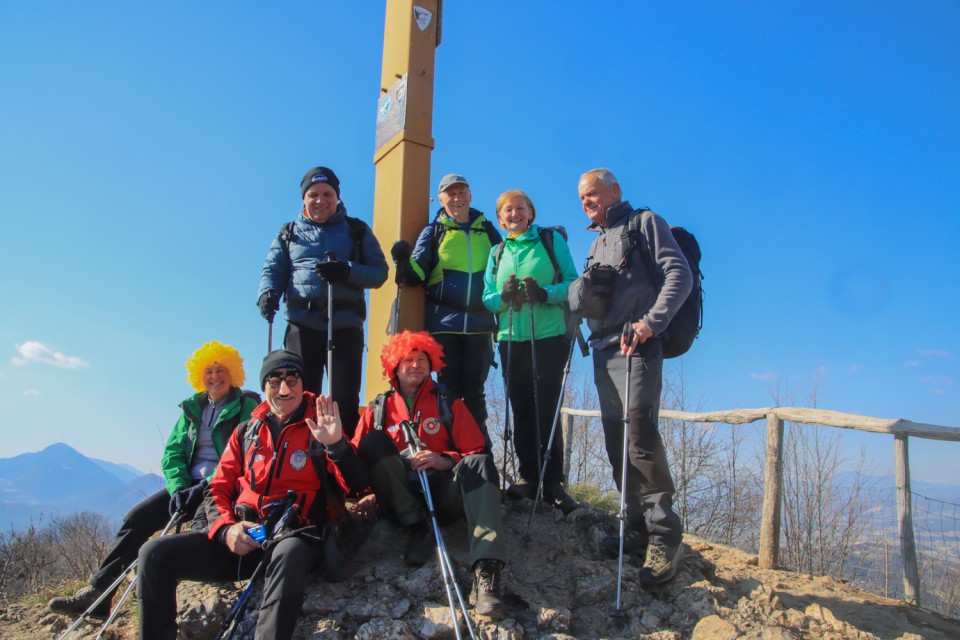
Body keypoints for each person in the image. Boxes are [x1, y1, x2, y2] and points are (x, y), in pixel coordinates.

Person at [136, 350, 369, 640]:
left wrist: (336, 446)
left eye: (292, 379)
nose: (284, 389)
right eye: (274, 380)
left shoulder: (321, 426)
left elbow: (357, 485)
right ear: (264, 387)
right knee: (154, 553)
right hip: (244, 539)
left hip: (296, 537)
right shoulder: (246, 431)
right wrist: (226, 530)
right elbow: (217, 487)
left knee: (290, 551)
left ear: (303, 384)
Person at [48, 341, 258, 617]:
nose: (215, 376)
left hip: (221, 488)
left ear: (233, 373)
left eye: (221, 370)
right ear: (199, 375)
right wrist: (178, 487)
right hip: (186, 488)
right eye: (208, 370)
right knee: (137, 519)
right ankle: (99, 593)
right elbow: (172, 452)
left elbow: (245, 453)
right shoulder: (192, 409)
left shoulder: (245, 406)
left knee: (196, 537)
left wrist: (206, 486)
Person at [567, 168, 692, 585]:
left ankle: (665, 535)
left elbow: (680, 274)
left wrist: (650, 324)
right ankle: (636, 529)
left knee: (639, 436)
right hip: (603, 351)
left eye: (593, 193)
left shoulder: (645, 223)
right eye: (583, 197)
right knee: (616, 441)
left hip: (637, 345)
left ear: (614, 190)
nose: (588, 201)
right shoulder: (595, 242)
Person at [351, 331, 509, 620]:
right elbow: (357, 459)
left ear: (431, 363)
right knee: (373, 441)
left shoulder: (448, 402)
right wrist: (366, 494)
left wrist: (444, 460)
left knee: (480, 464)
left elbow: (476, 448)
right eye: (407, 360)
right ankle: (416, 527)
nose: (415, 365)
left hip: (441, 491)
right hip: (399, 499)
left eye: (422, 359)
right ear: (394, 367)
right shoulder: (377, 409)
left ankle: (487, 572)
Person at [258, 166, 388, 437]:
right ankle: (302, 462)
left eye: (328, 193)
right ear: (304, 198)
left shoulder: (357, 230)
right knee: (300, 397)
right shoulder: (288, 233)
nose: (321, 200)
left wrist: (347, 270)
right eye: (314, 194)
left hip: (345, 326)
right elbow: (273, 270)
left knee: (345, 401)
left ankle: (344, 466)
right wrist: (267, 294)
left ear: (337, 197)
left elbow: (379, 273)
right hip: (301, 326)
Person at [481, 189, 578, 514]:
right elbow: (488, 298)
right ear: (500, 218)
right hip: (511, 338)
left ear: (531, 213)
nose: (514, 214)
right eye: (507, 210)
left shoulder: (551, 242)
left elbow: (574, 284)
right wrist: (504, 296)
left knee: (546, 408)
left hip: (548, 336)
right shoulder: (497, 253)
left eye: (520, 208)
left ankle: (553, 483)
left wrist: (545, 293)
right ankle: (527, 477)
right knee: (521, 409)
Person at [390, 174, 501, 444]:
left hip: (480, 324)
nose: (457, 198)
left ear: (470, 196)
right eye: (450, 194)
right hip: (444, 325)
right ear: (441, 199)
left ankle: (478, 452)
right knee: (448, 390)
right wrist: (403, 262)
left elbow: (503, 264)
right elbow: (417, 273)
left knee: (475, 391)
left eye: (461, 192)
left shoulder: (487, 230)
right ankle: (450, 446)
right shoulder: (434, 231)